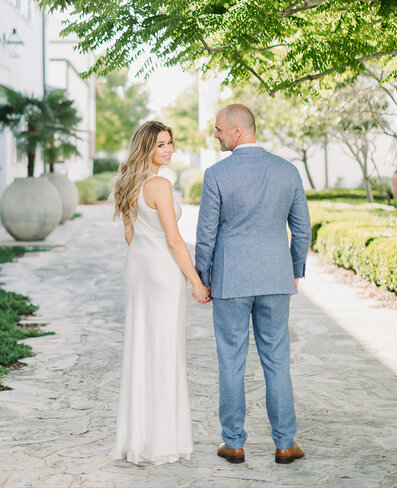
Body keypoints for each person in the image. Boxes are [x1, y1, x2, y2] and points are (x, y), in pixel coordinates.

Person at [195, 104, 311, 464]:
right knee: (277, 360)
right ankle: (285, 443)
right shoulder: (287, 171)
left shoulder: (216, 174)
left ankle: (233, 443)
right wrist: (294, 270)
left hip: (231, 280)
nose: (215, 134)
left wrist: (204, 277)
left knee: (231, 360)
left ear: (237, 131)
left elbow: (205, 236)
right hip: (275, 277)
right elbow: (303, 229)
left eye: (218, 129)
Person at [109, 121, 210, 465]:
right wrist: (196, 281)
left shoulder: (127, 183)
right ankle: (162, 441)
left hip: (137, 268)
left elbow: (129, 235)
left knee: (141, 348)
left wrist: (145, 257)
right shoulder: (160, 185)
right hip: (162, 272)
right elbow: (174, 239)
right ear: (146, 148)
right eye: (161, 145)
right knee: (164, 349)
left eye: (170, 143)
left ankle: (138, 439)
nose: (168, 150)